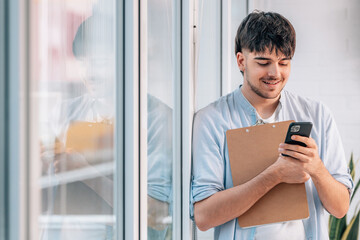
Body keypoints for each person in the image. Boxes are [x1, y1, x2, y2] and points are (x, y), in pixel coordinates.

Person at [190, 10, 353, 240]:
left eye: (284, 62)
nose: (275, 73)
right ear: (241, 61)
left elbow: (341, 208)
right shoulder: (212, 119)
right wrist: (274, 175)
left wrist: (315, 167)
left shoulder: (317, 114)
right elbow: (204, 216)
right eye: (264, 62)